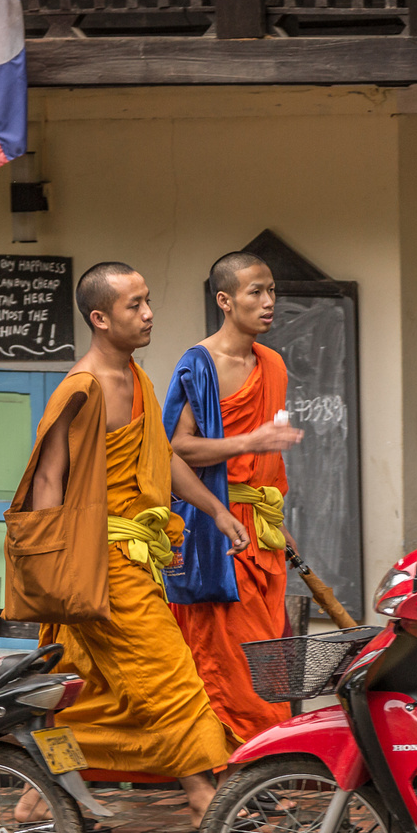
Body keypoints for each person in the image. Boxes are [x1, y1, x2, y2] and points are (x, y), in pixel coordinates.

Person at [27, 261, 245, 832]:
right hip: (98, 566)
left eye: (148, 300)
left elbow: (162, 457)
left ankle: (41, 789)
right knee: (172, 678)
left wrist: (216, 510)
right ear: (100, 318)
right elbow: (49, 479)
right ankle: (204, 800)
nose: (148, 314)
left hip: (137, 560)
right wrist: (56, 576)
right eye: (134, 305)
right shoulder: (82, 388)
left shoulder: (139, 379)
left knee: (106, 695)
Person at [164, 252, 304, 741]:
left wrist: (278, 522)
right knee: (233, 663)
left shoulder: (274, 365)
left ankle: (257, 779)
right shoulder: (199, 365)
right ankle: (250, 775)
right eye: (255, 293)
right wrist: (249, 442)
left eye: (271, 291)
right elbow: (175, 449)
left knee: (267, 658)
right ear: (224, 301)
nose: (268, 303)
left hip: (261, 532)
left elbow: (270, 463)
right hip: (218, 533)